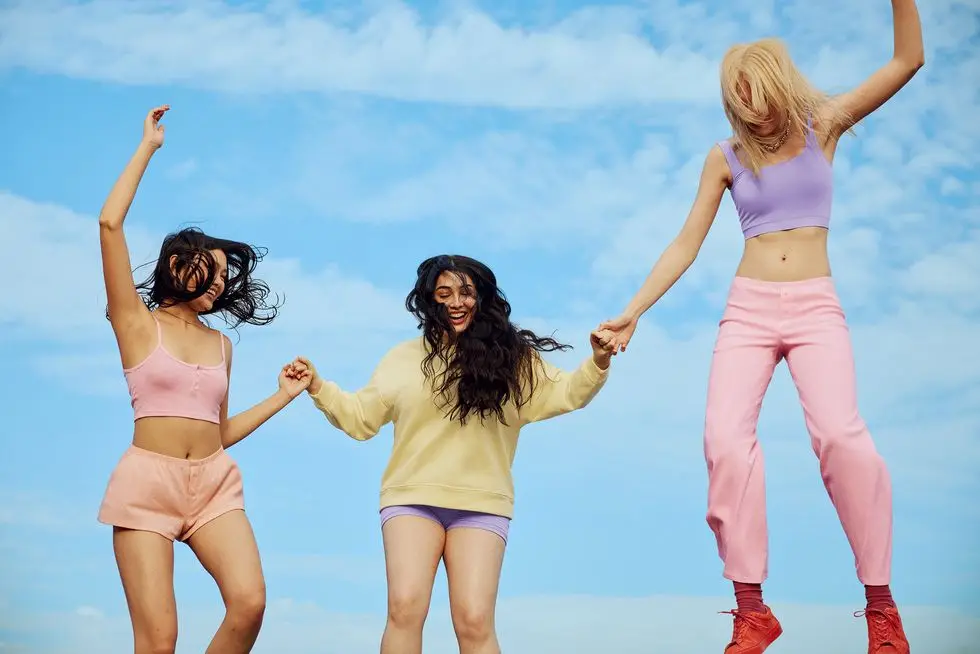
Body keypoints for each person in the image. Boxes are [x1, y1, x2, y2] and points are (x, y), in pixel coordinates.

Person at [597, 3, 924, 653]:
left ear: (780, 85)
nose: (756, 114)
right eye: (741, 104)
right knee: (723, 439)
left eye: (762, 99)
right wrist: (634, 310)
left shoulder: (822, 124)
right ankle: (752, 611)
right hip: (748, 308)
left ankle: (882, 609)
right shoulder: (724, 158)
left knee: (840, 437)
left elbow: (907, 60)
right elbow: (685, 243)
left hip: (814, 306)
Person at [286, 254, 615, 654]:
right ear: (429, 301)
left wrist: (598, 359)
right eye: (444, 294)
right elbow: (361, 418)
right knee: (405, 609)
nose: (456, 302)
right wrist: (318, 386)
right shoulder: (403, 358)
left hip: (481, 502)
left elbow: (567, 392)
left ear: (483, 298)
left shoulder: (515, 360)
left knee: (474, 621)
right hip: (411, 498)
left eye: (466, 292)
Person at [96, 105, 313, 654]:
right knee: (159, 639)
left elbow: (218, 432)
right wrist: (148, 147)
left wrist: (283, 397)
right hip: (148, 485)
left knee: (250, 603)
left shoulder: (222, 346)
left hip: (214, 483)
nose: (217, 282)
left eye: (223, 275)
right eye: (207, 269)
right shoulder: (135, 323)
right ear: (175, 263)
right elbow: (109, 225)